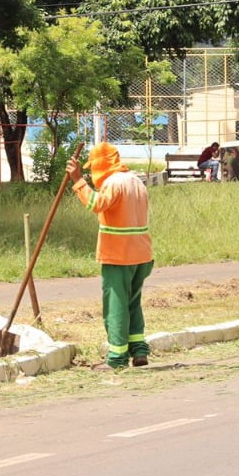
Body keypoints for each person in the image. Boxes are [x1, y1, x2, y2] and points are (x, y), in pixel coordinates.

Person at [67, 142, 153, 370]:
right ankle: (139, 350)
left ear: (101, 164)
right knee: (132, 303)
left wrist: (78, 181)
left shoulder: (114, 183)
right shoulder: (135, 181)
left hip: (118, 254)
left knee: (116, 306)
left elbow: (96, 204)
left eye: (93, 166)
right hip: (142, 253)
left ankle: (117, 358)